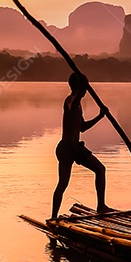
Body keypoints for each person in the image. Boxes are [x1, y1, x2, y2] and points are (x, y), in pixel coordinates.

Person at [52, 72, 112, 219]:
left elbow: (82, 127)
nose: (86, 91)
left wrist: (100, 115)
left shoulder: (78, 106)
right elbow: (73, 100)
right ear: (80, 87)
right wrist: (81, 88)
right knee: (63, 183)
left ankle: (101, 206)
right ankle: (53, 216)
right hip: (66, 149)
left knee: (100, 170)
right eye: (85, 87)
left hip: (76, 148)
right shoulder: (70, 101)